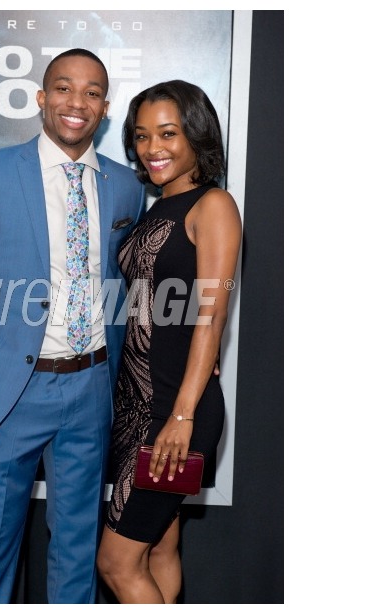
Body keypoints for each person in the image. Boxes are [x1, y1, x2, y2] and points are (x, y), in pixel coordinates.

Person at [0, 48, 145, 604]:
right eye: (65, 88)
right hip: (8, 393)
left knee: (77, 554)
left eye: (93, 92)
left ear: (104, 106)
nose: (78, 102)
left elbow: (130, 287)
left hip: (91, 389)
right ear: (42, 98)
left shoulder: (124, 187)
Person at [96, 79, 242, 603]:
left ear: (196, 135)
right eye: (140, 135)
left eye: (167, 133)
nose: (151, 148)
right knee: (159, 548)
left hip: (174, 410)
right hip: (137, 404)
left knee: (115, 564)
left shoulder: (214, 205)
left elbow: (210, 317)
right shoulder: (155, 207)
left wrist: (181, 417)